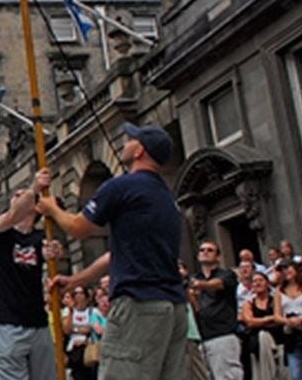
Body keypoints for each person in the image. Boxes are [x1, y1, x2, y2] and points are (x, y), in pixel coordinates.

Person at [37, 123, 188, 380]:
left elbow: (78, 228)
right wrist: (76, 280)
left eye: (132, 139)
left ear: (140, 150)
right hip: (173, 308)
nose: (126, 143)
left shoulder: (121, 187)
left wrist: (52, 209)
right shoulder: (166, 197)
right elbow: (116, 255)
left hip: (139, 306)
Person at [0, 169, 57, 380]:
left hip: (38, 323)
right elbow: (13, 215)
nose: (19, 196)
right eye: (16, 196)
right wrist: (34, 188)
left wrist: (52, 252)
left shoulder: (39, 237)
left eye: (22, 195)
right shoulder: (0, 231)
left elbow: (43, 251)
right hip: (7, 324)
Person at [190, 240, 242, 380]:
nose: (205, 252)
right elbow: (196, 307)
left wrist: (199, 285)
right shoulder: (195, 278)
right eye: (202, 250)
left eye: (210, 250)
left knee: (227, 376)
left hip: (222, 335)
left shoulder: (227, 274)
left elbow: (217, 284)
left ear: (218, 256)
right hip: (201, 337)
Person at [240, 271, 284, 380]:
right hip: (257, 346)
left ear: (267, 283)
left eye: (260, 280)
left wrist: (260, 322)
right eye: (254, 281)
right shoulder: (248, 303)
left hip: (279, 341)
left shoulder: (276, 300)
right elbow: (249, 322)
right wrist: (270, 319)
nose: (257, 283)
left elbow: (280, 319)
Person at [62, 287, 97, 380]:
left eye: (80, 293)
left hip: (88, 346)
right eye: (75, 293)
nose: (77, 296)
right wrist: (70, 310)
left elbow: (90, 329)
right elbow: (66, 330)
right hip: (73, 347)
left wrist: (75, 329)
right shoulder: (68, 311)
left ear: (86, 296)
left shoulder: (92, 311)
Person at [278, 263, 302, 380]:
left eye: (289, 269)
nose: (286, 272)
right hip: (291, 335)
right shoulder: (280, 292)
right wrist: (288, 320)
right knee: (295, 374)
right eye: (284, 270)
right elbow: (276, 315)